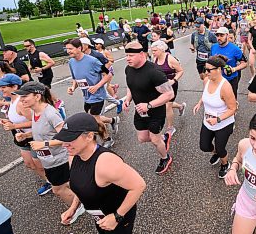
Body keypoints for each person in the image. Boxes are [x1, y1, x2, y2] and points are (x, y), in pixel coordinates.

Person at [53, 113, 155, 234]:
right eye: (64, 139)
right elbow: (80, 186)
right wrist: (73, 208)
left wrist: (117, 217)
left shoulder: (106, 162)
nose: (64, 144)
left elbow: (139, 185)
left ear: (89, 136)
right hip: (99, 216)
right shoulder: (73, 156)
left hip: (120, 215)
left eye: (70, 139)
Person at [14, 81, 86, 224]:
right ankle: (85, 199)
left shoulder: (50, 113)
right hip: (49, 159)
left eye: (24, 97)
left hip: (59, 159)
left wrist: (43, 144)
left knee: (58, 189)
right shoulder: (36, 111)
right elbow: (44, 132)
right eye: (20, 97)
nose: (21, 100)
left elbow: (66, 137)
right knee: (70, 184)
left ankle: (78, 207)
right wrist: (26, 136)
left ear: (37, 96)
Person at [0, 73, 52, 196]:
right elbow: (17, 118)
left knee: (40, 165)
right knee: (29, 164)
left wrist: (14, 126)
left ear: (15, 87)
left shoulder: (21, 103)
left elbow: (36, 121)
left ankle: (56, 183)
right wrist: (9, 122)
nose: (1, 89)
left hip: (33, 137)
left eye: (3, 87)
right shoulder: (12, 101)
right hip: (22, 138)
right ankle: (50, 181)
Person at [123, 41, 175, 175]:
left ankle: (165, 158)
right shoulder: (128, 69)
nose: (128, 58)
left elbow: (169, 94)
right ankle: (164, 138)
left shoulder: (154, 72)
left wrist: (149, 105)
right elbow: (130, 85)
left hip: (155, 111)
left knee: (155, 139)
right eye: (126, 55)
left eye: (131, 55)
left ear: (141, 54)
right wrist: (127, 98)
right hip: (140, 110)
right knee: (142, 138)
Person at [65, 38, 118, 149]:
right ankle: (112, 120)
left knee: (94, 119)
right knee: (93, 117)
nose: (68, 51)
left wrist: (97, 86)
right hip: (87, 96)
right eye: (67, 49)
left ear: (79, 48)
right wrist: (72, 87)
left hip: (97, 95)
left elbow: (107, 74)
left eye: (70, 49)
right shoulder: (71, 62)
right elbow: (75, 78)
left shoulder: (92, 61)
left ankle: (107, 139)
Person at [193, 55, 237, 178]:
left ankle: (225, 164)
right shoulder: (207, 80)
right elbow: (205, 94)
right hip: (208, 121)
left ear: (219, 69)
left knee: (221, 147)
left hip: (223, 123)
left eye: (208, 70)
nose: (205, 73)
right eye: (204, 69)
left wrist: (217, 119)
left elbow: (233, 109)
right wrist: (199, 103)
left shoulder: (225, 87)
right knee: (204, 146)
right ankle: (216, 153)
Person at [151, 40, 186, 146]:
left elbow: (181, 71)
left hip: (171, 85)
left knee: (167, 106)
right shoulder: (155, 58)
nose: (153, 52)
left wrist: (173, 80)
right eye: (152, 51)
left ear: (162, 49)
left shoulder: (170, 59)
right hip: (160, 86)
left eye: (155, 50)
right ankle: (180, 106)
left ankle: (170, 128)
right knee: (164, 103)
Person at [210, 27, 247, 98]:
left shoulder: (235, 49)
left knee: (231, 101)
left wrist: (233, 69)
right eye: (217, 36)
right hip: (217, 79)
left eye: (221, 35)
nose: (219, 38)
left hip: (231, 79)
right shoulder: (213, 47)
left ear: (227, 35)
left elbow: (244, 63)